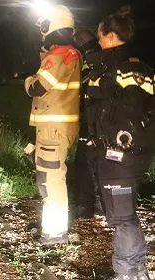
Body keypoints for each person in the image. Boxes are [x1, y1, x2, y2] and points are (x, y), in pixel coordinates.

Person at [87, 6, 154, 280]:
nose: (99, 42)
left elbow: (129, 112)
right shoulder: (131, 65)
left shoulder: (124, 67)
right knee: (124, 215)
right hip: (126, 154)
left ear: (112, 36)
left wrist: (116, 145)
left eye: (101, 37)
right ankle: (137, 272)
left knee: (121, 218)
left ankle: (127, 273)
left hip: (120, 155)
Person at [23, 4, 81, 245]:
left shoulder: (58, 56)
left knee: (50, 181)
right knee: (50, 178)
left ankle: (55, 234)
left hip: (53, 129)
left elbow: (37, 87)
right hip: (56, 127)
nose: (42, 33)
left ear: (55, 27)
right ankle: (52, 228)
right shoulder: (68, 54)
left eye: (45, 27)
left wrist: (27, 80)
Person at [72, 29, 104, 219]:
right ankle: (102, 206)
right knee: (99, 162)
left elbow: (85, 87)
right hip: (102, 120)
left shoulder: (89, 58)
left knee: (84, 162)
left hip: (91, 119)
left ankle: (85, 207)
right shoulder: (101, 57)